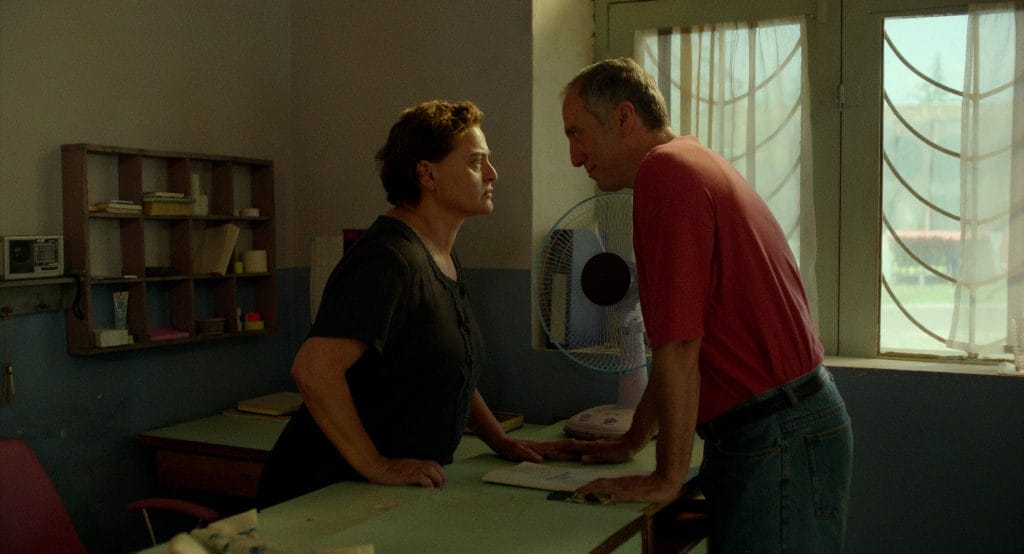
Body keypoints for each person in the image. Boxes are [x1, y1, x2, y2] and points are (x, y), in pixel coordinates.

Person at [559, 58, 853, 552]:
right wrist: (634, 440)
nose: (573, 156)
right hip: (781, 428)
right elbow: (679, 341)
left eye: (578, 133)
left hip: (776, 432)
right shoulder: (688, 159)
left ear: (624, 117)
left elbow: (679, 345)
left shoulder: (666, 173)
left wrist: (666, 477)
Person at [258, 100, 574, 507]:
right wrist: (377, 464)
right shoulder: (387, 259)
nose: (493, 174)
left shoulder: (441, 256)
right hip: (323, 491)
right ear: (426, 173)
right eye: (477, 162)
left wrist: (500, 440)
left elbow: (450, 369)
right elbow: (314, 369)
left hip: (383, 495)